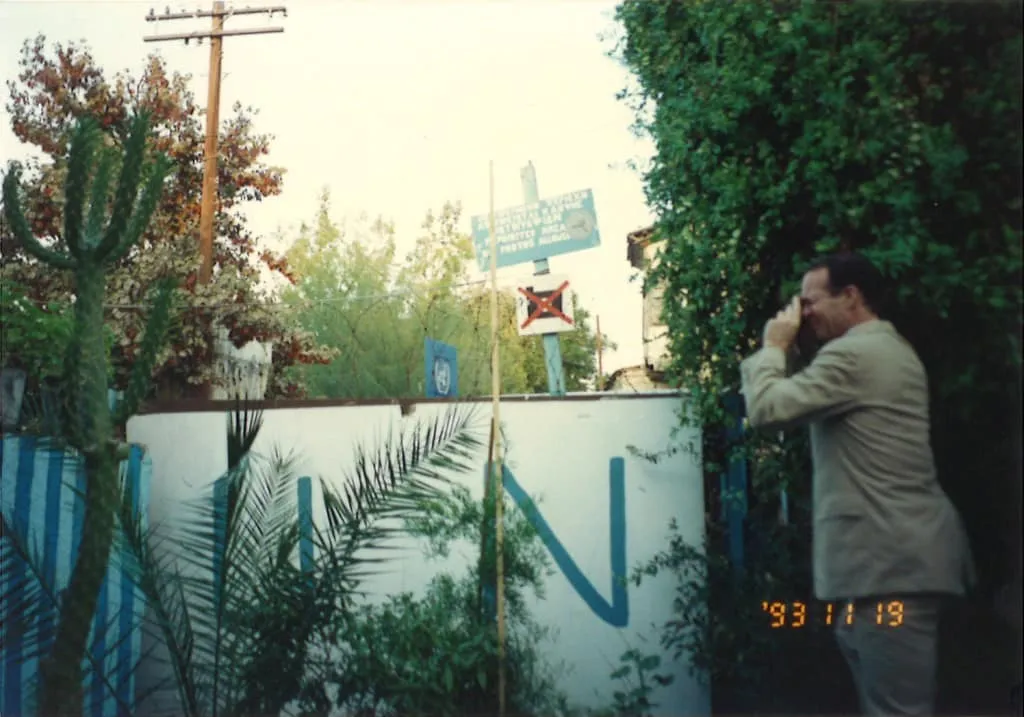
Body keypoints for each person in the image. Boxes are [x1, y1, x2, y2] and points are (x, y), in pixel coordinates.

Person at [740, 251, 975, 716]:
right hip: (887, 569)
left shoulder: (857, 355)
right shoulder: (879, 351)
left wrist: (774, 345)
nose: (803, 315)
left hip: (889, 573)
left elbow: (767, 409)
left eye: (811, 303)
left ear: (851, 297)